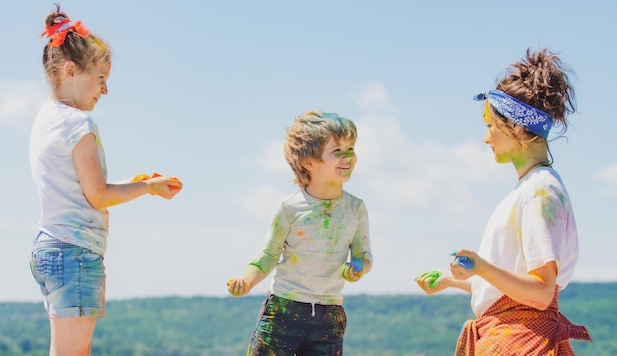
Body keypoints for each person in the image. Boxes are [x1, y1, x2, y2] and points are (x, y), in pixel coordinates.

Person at [415, 48, 592, 355]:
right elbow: (510, 290)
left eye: (489, 125)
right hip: (513, 335)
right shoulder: (533, 189)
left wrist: (482, 266)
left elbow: (539, 293)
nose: (486, 138)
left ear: (518, 127)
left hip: (520, 341)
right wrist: (453, 280)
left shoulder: (540, 192)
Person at [29, 4, 183, 356]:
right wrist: (148, 187)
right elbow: (98, 195)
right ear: (70, 71)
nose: (105, 91)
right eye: (101, 80)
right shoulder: (78, 125)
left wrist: (135, 182)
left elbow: (78, 189)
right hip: (74, 251)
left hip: (49, 245)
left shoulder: (45, 119)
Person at [227, 110, 373, 355]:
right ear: (308, 162)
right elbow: (268, 256)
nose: (347, 156)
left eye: (351, 148)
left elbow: (364, 255)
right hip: (283, 310)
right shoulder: (289, 208)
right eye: (337, 150)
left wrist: (357, 266)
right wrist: (246, 281)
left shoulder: (356, 208)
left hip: (330, 315)